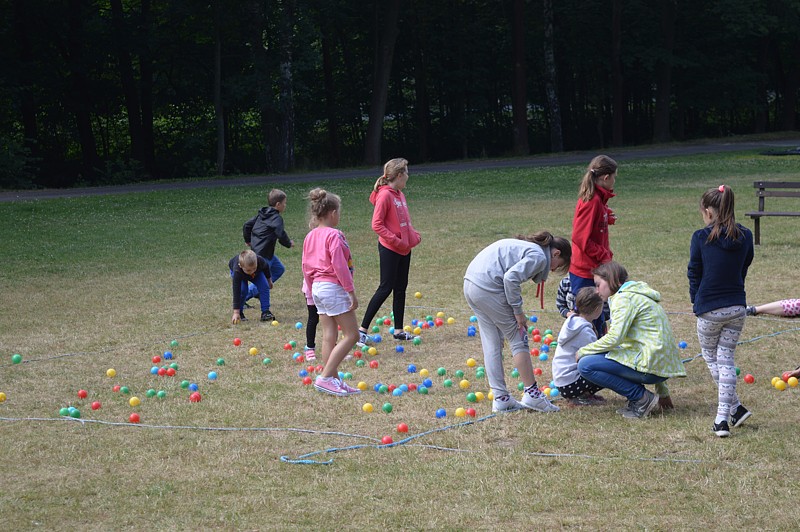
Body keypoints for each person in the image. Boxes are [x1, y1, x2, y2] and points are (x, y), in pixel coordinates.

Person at [463, 231, 571, 413]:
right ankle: (532, 394)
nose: (552, 270)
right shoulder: (539, 256)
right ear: (556, 253)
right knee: (518, 338)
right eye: (557, 266)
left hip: (471, 284)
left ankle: (501, 398)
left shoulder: (529, 248)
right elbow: (510, 278)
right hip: (487, 287)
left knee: (492, 341)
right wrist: (517, 311)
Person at [577, 261, 686, 419]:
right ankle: (640, 398)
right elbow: (654, 345)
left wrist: (583, 351)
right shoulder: (636, 295)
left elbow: (615, 338)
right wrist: (663, 393)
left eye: (598, 284)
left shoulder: (624, 299)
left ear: (613, 280)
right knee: (601, 355)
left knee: (585, 364)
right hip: (657, 366)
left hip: (650, 367)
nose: (596, 290)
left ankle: (641, 398)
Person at [688, 185, 754, 437]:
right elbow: (744, 266)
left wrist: (697, 301)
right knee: (725, 357)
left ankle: (723, 419)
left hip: (709, 309)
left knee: (711, 356)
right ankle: (733, 411)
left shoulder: (700, 237)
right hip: (737, 307)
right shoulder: (745, 236)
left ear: (708, 211)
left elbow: (694, 272)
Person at [301, 188, 360, 396]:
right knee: (352, 334)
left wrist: (309, 291)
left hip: (317, 288)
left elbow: (305, 266)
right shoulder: (335, 235)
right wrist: (350, 291)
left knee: (329, 335)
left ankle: (333, 380)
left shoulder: (310, 236)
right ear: (333, 213)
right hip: (332, 288)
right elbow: (340, 266)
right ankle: (325, 377)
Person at [358, 158, 422, 345]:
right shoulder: (385, 195)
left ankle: (399, 331)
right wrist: (396, 241)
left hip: (404, 249)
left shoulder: (399, 194)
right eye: (407, 173)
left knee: (400, 288)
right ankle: (362, 330)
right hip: (390, 249)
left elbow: (403, 222)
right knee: (385, 288)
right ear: (400, 175)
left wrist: (413, 237)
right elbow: (376, 224)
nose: (408, 176)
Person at [570, 155, 618, 336]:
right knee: (588, 318)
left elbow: (590, 227)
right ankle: (588, 356)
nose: (614, 181)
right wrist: (603, 255)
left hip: (593, 269)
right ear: (606, 178)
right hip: (585, 272)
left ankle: (598, 352)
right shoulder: (593, 201)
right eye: (614, 177)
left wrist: (605, 217)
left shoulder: (598, 199)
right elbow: (579, 238)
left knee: (598, 315)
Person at [243, 188, 294, 322]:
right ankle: (243, 298)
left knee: (279, 269)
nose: (285, 205)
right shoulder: (276, 218)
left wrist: (248, 240)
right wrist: (289, 243)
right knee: (262, 280)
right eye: (284, 203)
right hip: (262, 254)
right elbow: (280, 233)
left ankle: (257, 292)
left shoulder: (262, 214)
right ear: (278, 205)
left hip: (264, 252)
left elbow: (247, 225)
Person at [552, 287, 606, 405]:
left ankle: (584, 394)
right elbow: (595, 358)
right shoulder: (585, 332)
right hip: (571, 384)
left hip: (562, 382)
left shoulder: (572, 322)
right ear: (597, 309)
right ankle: (581, 396)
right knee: (607, 370)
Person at [229, 250, 273, 324]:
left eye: (254, 268)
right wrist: (236, 312)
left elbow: (266, 268)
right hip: (241, 274)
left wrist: (269, 281)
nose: (252, 271)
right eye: (249, 270)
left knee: (264, 286)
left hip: (257, 274)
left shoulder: (260, 261)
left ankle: (266, 312)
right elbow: (236, 292)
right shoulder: (237, 270)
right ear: (241, 266)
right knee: (242, 290)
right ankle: (240, 313)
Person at [301, 279, 320, 362]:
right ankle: (310, 348)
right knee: (313, 319)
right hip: (311, 289)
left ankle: (333, 347)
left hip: (328, 289)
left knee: (331, 319)